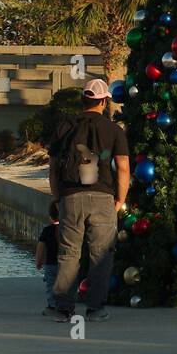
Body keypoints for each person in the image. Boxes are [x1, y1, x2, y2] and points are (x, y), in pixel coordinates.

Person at [49, 78, 129, 322]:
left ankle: (63, 308)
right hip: (103, 195)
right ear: (104, 102)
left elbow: (52, 168)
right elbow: (123, 167)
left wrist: (58, 197)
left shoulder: (64, 126)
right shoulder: (114, 130)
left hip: (71, 196)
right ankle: (95, 308)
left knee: (69, 253)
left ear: (84, 100)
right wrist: (120, 199)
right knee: (100, 254)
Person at [35, 201, 60, 316]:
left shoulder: (47, 230)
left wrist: (38, 261)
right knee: (67, 284)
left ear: (50, 216)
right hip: (66, 264)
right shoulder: (68, 230)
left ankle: (52, 306)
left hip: (50, 264)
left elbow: (41, 247)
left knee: (51, 285)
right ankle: (67, 305)